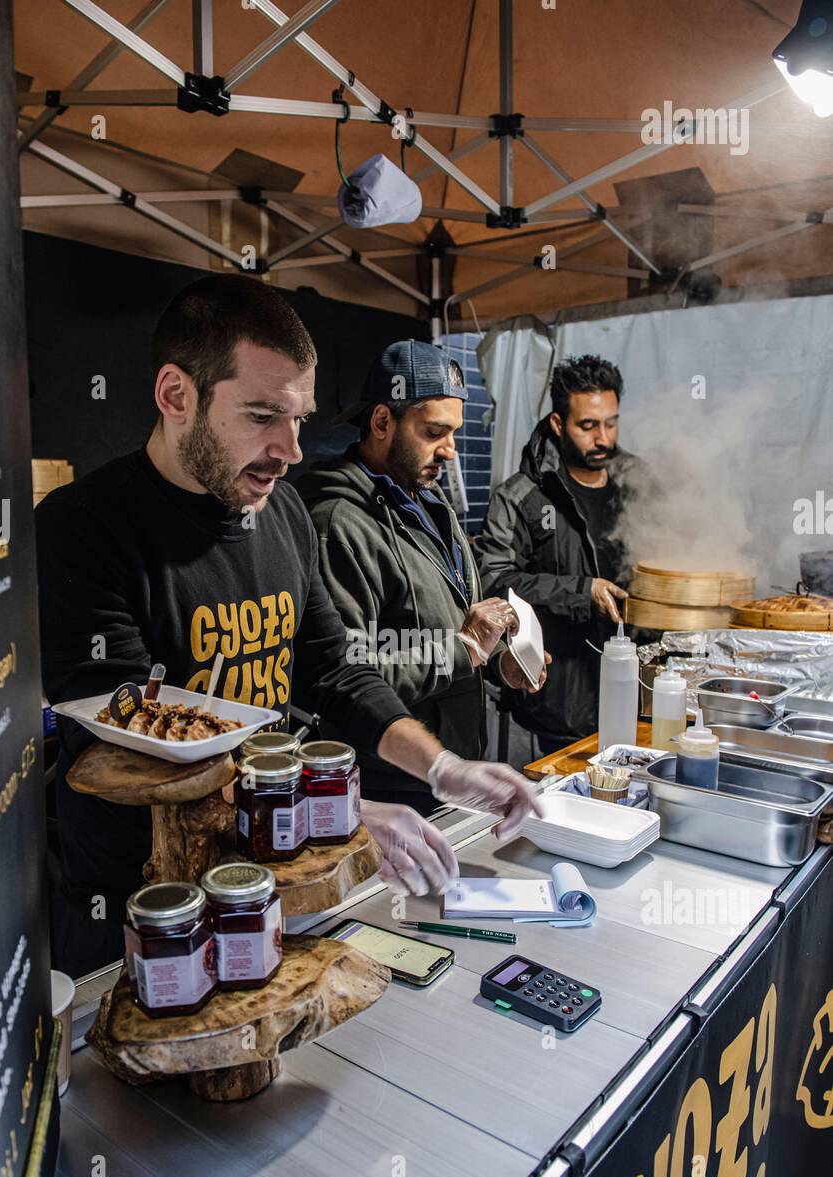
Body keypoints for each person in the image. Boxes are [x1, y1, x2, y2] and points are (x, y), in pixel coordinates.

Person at [36, 276, 540, 977]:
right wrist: (335, 813)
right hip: (145, 912)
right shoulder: (82, 529)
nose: (291, 449)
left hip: (262, 880)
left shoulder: (285, 515)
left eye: (298, 419)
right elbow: (134, 739)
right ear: (176, 395)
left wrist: (441, 766)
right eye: (262, 416)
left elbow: (337, 670)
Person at [297, 340, 549, 810]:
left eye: (452, 432)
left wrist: (497, 661)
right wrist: (465, 648)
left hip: (452, 774)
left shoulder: (432, 508)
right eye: (435, 432)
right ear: (380, 422)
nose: (450, 451)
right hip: (391, 790)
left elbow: (445, 627)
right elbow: (348, 674)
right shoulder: (338, 523)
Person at [476, 354, 649, 755]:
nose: (603, 438)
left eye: (610, 423)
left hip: (633, 698)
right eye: (587, 426)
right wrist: (582, 590)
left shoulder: (637, 483)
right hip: (557, 705)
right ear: (558, 423)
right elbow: (493, 582)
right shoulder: (522, 497)